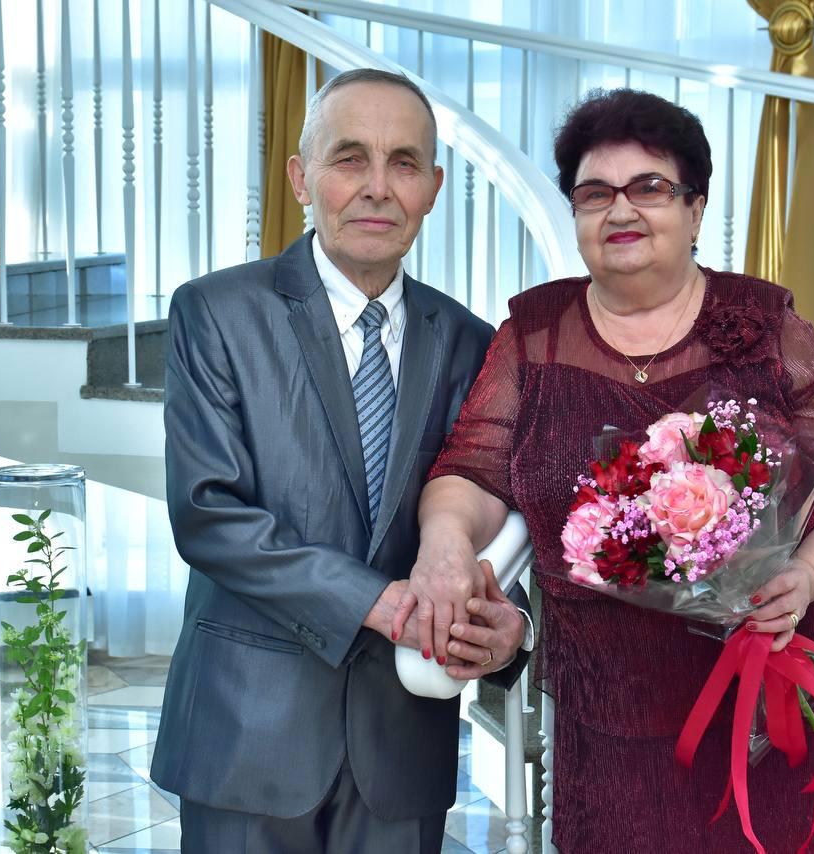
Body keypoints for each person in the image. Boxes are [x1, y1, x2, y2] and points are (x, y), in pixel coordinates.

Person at [401, 88, 814, 852]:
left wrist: (804, 576)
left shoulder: (762, 327)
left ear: (695, 209)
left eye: (650, 187)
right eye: (595, 193)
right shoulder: (535, 335)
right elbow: (470, 470)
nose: (621, 210)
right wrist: (444, 545)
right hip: (611, 720)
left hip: (762, 696)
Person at [150, 68, 531, 854]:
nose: (377, 187)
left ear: (432, 188)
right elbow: (209, 514)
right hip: (244, 738)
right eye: (350, 158)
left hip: (403, 749)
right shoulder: (215, 313)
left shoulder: (473, 343)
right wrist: (380, 604)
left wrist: (509, 627)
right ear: (301, 178)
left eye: (403, 163)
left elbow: (485, 517)